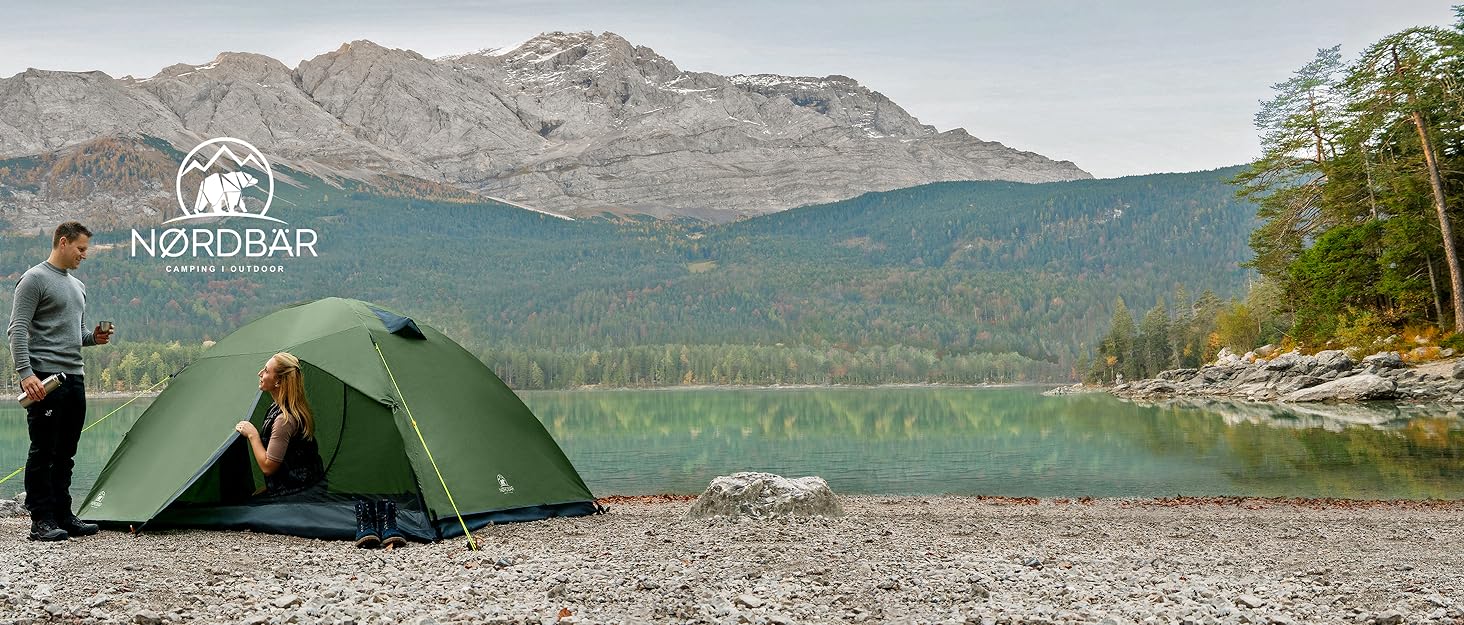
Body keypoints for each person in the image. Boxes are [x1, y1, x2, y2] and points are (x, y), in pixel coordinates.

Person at [8, 221, 112, 541]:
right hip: (44, 379)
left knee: (66, 452)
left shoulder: (78, 286)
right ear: (63, 243)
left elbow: (76, 335)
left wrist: (93, 339)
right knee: (44, 451)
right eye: (81, 249)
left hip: (75, 378)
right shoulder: (34, 279)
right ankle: (41, 520)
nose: (84, 255)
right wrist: (26, 374)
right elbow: (17, 330)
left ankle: (64, 515)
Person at [233, 352, 324, 497]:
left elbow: (268, 467)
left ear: (278, 382)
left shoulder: (284, 420)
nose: (260, 373)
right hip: (305, 488)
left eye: (267, 371)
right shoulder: (280, 406)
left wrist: (252, 435)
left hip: (299, 497)